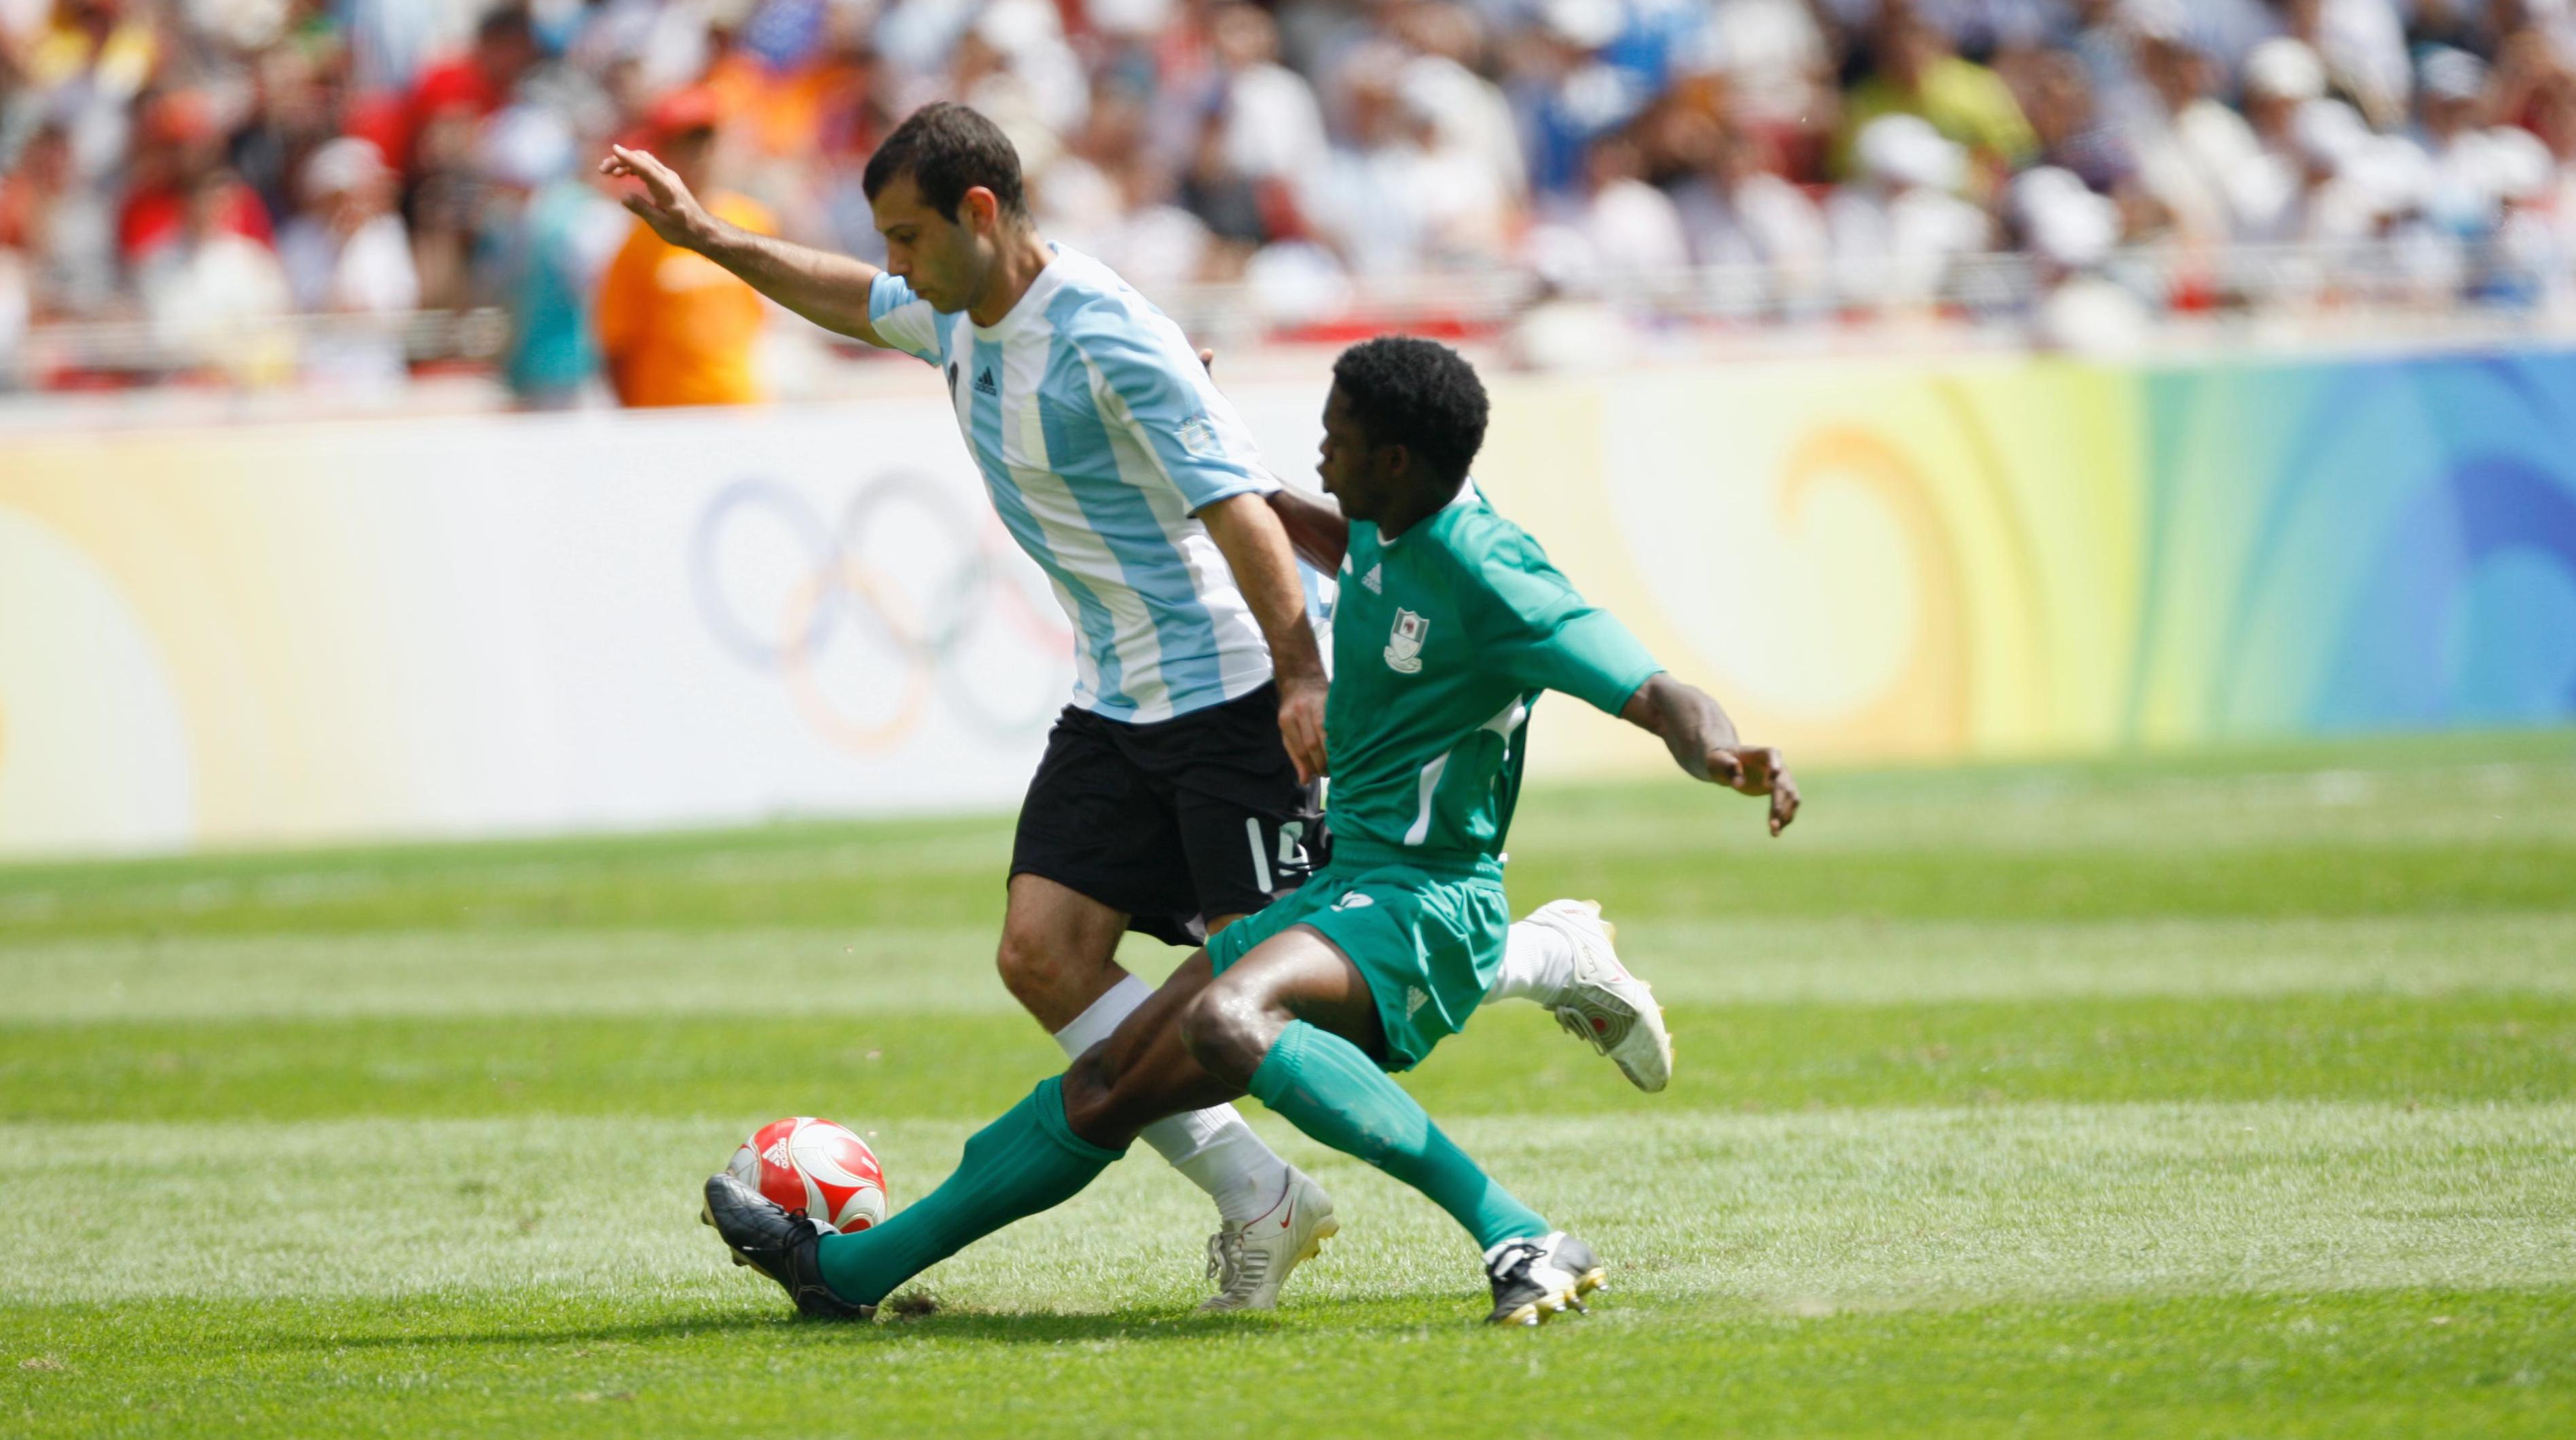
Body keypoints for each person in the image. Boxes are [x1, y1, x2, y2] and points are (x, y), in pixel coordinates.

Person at [601, 101, 1675, 1311]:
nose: (893, 262)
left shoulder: (1110, 335)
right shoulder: (954, 309)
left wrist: (1298, 675)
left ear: (981, 212)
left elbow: (1237, 508)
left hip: (1227, 701)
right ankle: (1258, 1193)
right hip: (1115, 700)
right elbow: (851, 298)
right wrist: (707, 241)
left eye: (907, 235)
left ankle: (1539, 962)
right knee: (1045, 955)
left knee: (1280, 1004)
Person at [699, 335, 1800, 1326]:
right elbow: (1305, 520)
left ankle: (1518, 1232)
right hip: (1342, 893)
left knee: (1229, 1018)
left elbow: (1647, 685)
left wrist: (1717, 749)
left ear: (1398, 461)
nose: (1319, 455)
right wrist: (1199, 431)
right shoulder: (1382, 521)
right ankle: (840, 1276)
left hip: (1426, 908)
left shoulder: (1492, 577)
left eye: (1337, 439)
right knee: (1103, 1088)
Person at [595, 88, 776, 407]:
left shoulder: (751, 220)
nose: (700, 156)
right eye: (687, 146)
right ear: (663, 154)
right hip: (670, 414)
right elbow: (616, 343)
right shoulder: (639, 240)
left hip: (740, 405)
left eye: (705, 143)